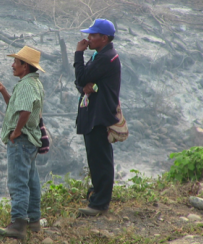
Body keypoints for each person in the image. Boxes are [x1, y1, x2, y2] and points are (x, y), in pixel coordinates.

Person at [0, 46, 45, 240]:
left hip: (21, 141)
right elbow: (16, 105)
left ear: (26, 67)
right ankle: (33, 220)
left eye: (16, 62)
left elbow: (25, 112)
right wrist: (3, 90)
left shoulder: (26, 85)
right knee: (31, 180)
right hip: (29, 141)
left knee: (18, 182)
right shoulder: (33, 83)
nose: (13, 65)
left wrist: (16, 131)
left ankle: (18, 224)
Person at [73, 19, 121, 216]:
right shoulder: (99, 55)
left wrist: (78, 53)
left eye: (93, 35)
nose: (89, 38)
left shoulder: (106, 57)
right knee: (96, 156)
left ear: (104, 38)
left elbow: (81, 77)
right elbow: (82, 82)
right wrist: (83, 85)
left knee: (100, 158)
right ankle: (97, 194)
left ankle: (100, 203)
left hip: (99, 114)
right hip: (95, 113)